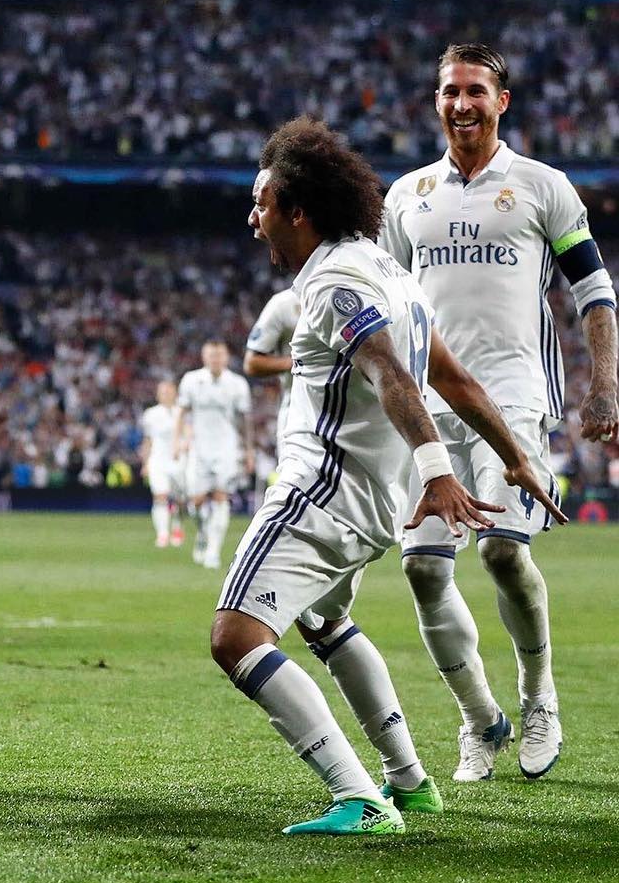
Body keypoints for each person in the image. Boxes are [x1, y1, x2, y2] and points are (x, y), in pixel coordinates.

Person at [211, 116, 565, 836]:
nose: (253, 218)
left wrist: (439, 472)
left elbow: (391, 372)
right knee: (325, 621)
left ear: (297, 211)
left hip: (320, 494)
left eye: (261, 203)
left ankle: (359, 798)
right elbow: (453, 378)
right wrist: (515, 457)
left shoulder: (332, 284)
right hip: (374, 504)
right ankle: (408, 781)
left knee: (235, 637)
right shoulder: (388, 270)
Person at [379, 44, 618, 782]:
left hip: (514, 399)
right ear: (436, 101)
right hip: (428, 407)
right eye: (449, 91)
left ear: (501, 101)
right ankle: (480, 719)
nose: (462, 104)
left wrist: (605, 383)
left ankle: (540, 698)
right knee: (423, 569)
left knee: (502, 552)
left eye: (475, 91)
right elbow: (384, 304)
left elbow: (594, 291)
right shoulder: (406, 195)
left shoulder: (543, 186)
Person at [173, 341, 253, 569]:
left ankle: (213, 551)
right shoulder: (191, 380)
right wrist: (177, 441)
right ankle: (202, 532)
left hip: (226, 447)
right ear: (204, 357)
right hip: (199, 447)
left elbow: (245, 420)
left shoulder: (237, 384)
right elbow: (181, 412)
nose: (215, 359)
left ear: (226, 358)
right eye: (211, 355)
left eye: (219, 355)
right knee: (196, 501)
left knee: (221, 496)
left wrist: (249, 450)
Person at [244, 287, 300, 481]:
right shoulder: (285, 303)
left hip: (357, 411)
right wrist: (301, 362)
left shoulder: (361, 289)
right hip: (298, 411)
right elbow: (252, 362)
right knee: (294, 483)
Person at [139, 380, 185, 548]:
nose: (165, 395)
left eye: (168, 391)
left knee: (180, 499)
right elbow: (147, 440)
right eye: (162, 392)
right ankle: (163, 534)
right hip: (157, 460)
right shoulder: (150, 414)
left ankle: (177, 528)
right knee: (160, 496)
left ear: (175, 393)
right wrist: (145, 463)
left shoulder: (182, 412)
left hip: (179, 460)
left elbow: (188, 435)